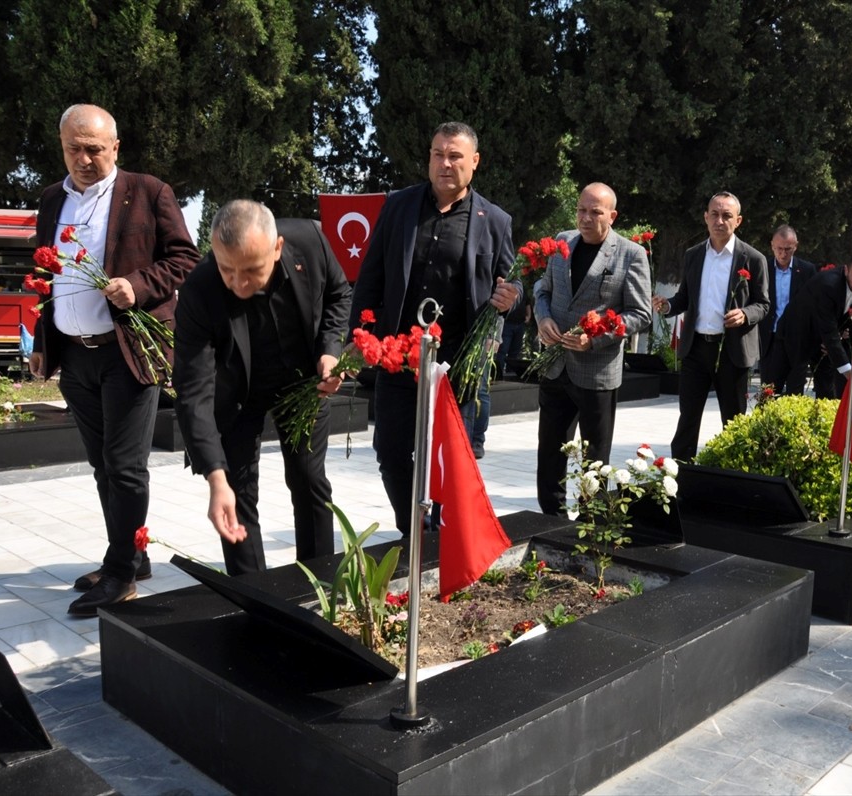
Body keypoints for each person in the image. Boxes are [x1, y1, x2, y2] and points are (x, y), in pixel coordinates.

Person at [29, 104, 198, 616]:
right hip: (74, 358)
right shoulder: (51, 200)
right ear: (62, 146)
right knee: (103, 467)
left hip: (127, 353)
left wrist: (138, 285)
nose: (83, 158)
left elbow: (185, 258)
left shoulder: (148, 192)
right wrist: (42, 342)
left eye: (94, 149)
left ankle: (122, 574)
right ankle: (130, 553)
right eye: (73, 148)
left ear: (116, 147)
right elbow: (46, 277)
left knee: (125, 468)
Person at [348, 122, 518, 534]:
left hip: (457, 367)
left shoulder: (494, 220)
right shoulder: (398, 207)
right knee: (390, 451)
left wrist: (513, 297)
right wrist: (359, 335)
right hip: (399, 357)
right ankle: (414, 529)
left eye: (455, 156)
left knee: (452, 460)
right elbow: (370, 276)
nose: (445, 163)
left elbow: (512, 281)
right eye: (438, 154)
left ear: (474, 163)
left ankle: (444, 535)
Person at [173, 201, 351, 575]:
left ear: (278, 248)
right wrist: (215, 478)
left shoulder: (311, 241)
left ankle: (318, 583)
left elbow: (339, 295)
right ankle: (253, 596)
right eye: (227, 270)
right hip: (236, 394)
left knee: (308, 478)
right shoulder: (199, 291)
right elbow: (193, 391)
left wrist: (330, 351)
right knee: (235, 493)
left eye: (252, 270)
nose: (239, 284)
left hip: (303, 381)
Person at [532, 183, 652, 514]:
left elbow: (640, 313)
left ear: (612, 216)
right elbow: (542, 289)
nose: (586, 218)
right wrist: (542, 320)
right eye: (582, 210)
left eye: (595, 212)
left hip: (596, 372)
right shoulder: (561, 243)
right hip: (555, 368)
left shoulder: (630, 254)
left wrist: (595, 337)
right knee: (550, 453)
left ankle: (590, 525)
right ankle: (550, 519)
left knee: (595, 458)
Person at [652, 192, 768, 461]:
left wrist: (744, 314)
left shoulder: (752, 258)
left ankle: (733, 474)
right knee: (688, 419)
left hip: (731, 350)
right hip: (695, 349)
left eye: (726, 215)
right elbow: (684, 298)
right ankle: (680, 473)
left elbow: (763, 304)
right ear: (705, 217)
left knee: (734, 421)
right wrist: (667, 306)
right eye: (714, 214)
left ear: (738, 220)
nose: (719, 220)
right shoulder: (693, 255)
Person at [784, 253, 852, 399]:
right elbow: (827, 327)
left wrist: (840, 334)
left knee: (827, 389)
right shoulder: (829, 284)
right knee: (794, 388)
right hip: (798, 334)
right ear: (846, 270)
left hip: (826, 340)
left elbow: (851, 316)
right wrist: (848, 371)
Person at [757, 224, 814, 391]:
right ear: (772, 246)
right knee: (768, 392)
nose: (783, 254)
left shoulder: (806, 270)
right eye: (779, 249)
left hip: (797, 340)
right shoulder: (763, 268)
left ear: (795, 246)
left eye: (788, 249)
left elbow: (813, 305)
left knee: (795, 393)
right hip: (770, 338)